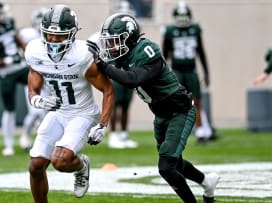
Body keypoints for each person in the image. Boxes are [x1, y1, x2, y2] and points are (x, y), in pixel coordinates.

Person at [86, 13, 219, 203]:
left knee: (166, 168)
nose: (112, 47)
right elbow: (104, 67)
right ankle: (207, 182)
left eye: (116, 42)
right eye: (110, 42)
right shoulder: (123, 54)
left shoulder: (147, 50)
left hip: (180, 111)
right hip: (161, 115)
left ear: (130, 37)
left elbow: (132, 80)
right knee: (175, 164)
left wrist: (100, 62)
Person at [25, 5, 114, 202]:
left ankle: (81, 167)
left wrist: (102, 124)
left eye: (60, 36)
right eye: (49, 35)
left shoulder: (82, 55)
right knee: (36, 166)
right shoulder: (35, 51)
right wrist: (35, 98)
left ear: (72, 35)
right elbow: (33, 81)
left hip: (83, 113)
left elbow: (108, 90)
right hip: (58, 112)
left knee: (60, 161)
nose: (54, 40)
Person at [161, 1, 213, 144]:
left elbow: (201, 52)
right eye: (180, 16)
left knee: (196, 101)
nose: (183, 19)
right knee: (174, 101)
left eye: (185, 16)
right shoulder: (170, 31)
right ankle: (173, 132)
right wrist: (162, 75)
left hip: (191, 70)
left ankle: (201, 131)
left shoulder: (195, 29)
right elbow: (164, 56)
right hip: (176, 70)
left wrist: (206, 73)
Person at [0, 0, 29, 156]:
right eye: (0, 13)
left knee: (44, 89)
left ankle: (30, 136)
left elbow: (20, 41)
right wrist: (5, 61)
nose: (3, 15)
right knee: (9, 110)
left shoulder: (9, 23)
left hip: (21, 68)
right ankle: (8, 145)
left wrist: (28, 54)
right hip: (5, 73)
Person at [18, 7, 49, 150]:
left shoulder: (53, 36)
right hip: (33, 76)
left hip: (49, 78)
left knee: (48, 111)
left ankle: (44, 140)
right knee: (35, 111)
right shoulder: (28, 34)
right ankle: (24, 135)